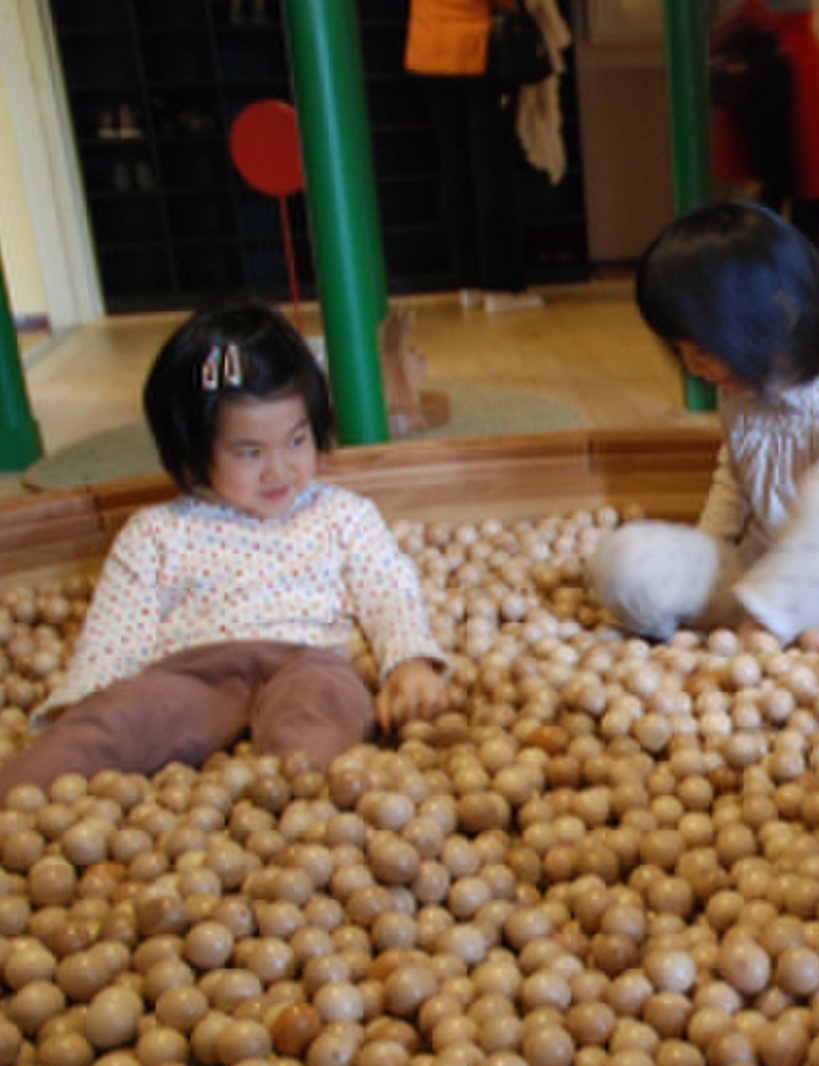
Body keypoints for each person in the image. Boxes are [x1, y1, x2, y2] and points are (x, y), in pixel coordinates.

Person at [0, 301, 450, 797]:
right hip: (194, 673)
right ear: (194, 449)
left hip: (307, 660)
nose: (279, 469)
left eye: (297, 440)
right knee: (119, 721)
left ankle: (302, 818)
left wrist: (408, 662)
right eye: (250, 452)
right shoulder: (157, 532)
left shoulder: (343, 514)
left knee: (322, 713)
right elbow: (115, 627)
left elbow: (388, 589)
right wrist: (87, 703)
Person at [591, 200, 819, 687]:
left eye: (702, 347)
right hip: (765, 575)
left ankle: (763, 636)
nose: (689, 364)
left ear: (770, 321)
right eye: (679, 348)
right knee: (624, 561)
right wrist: (706, 550)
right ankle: (766, 631)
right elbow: (735, 474)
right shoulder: (740, 391)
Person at [405, 0, 545, 313]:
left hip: (428, 48)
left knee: (455, 166)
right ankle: (501, 286)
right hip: (477, 48)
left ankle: (468, 282)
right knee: (492, 170)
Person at [710, 0, 819, 252]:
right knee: (806, 194)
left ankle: (761, 281)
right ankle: (804, 281)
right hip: (797, 67)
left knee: (765, 193)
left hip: (752, 69)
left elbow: (710, 18)